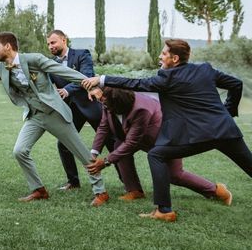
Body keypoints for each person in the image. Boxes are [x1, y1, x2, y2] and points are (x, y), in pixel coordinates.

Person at [82, 39, 252, 222]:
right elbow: (236, 84)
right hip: (226, 131)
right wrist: (228, 112)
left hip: (198, 136)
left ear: (175, 58)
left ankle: (164, 211)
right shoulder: (205, 69)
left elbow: (136, 83)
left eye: (163, 54)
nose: (160, 56)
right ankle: (165, 209)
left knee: (156, 155)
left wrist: (102, 79)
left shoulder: (167, 78)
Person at [0, 32, 109, 206]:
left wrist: (91, 84)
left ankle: (101, 192)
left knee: (82, 154)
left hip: (54, 113)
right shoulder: (2, 68)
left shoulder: (34, 59)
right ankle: (39, 190)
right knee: (19, 151)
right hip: (35, 116)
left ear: (8, 46)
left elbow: (63, 70)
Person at [85, 87, 231, 205]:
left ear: (119, 105)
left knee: (174, 175)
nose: (103, 106)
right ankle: (134, 191)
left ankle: (216, 190)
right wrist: (94, 152)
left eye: (105, 104)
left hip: (163, 138)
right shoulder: (108, 98)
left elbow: (131, 143)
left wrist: (104, 162)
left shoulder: (141, 109)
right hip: (138, 137)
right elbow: (103, 127)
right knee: (119, 147)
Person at [46, 29, 114, 190]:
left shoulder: (82, 54)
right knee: (63, 143)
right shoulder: (50, 63)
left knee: (111, 142)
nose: (50, 46)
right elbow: (45, 82)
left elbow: (87, 76)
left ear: (64, 40)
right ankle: (73, 182)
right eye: (48, 44)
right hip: (70, 109)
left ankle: (131, 186)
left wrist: (67, 90)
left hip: (90, 104)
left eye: (53, 42)